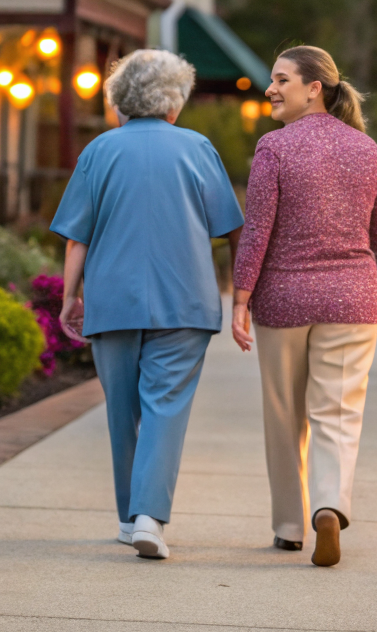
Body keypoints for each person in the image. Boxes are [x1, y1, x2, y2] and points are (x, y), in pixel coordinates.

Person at [53, 48, 243, 561]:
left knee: (122, 410)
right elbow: (231, 228)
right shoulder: (198, 147)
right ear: (174, 103)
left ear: (119, 103)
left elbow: (77, 238)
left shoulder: (98, 151)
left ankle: (126, 516)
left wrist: (71, 297)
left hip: (112, 299)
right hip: (185, 301)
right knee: (166, 407)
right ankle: (148, 517)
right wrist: (242, 292)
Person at [231, 45, 377, 568]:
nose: (270, 89)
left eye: (281, 79)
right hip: (354, 298)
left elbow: (257, 229)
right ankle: (329, 505)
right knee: (338, 414)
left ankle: (288, 527)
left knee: (284, 414)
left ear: (314, 88)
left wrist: (240, 297)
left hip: (283, 298)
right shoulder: (367, 150)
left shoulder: (274, 148)